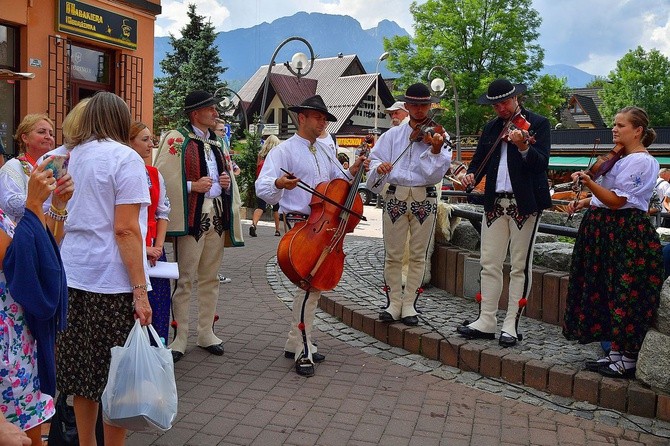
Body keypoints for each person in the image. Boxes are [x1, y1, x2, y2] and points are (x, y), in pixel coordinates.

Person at [55, 92, 152, 446]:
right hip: (112, 280)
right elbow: (126, 228)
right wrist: (140, 290)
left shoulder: (68, 156)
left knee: (84, 372)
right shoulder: (126, 158)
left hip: (73, 272)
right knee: (118, 376)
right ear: (120, 120)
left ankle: (85, 443)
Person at [255, 95, 367, 377]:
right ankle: (304, 348)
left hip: (323, 226)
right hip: (302, 226)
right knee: (309, 285)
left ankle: (295, 342)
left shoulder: (326, 150)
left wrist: (353, 171)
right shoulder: (284, 151)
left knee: (311, 288)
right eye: (318, 117)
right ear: (301, 118)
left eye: (324, 118)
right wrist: (280, 182)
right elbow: (262, 186)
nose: (323, 122)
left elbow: (339, 183)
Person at [563, 106, 663, 379]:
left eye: (620, 125)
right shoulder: (619, 158)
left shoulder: (643, 162)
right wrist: (584, 199)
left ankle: (627, 358)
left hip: (625, 234)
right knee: (608, 291)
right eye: (614, 125)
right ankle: (615, 355)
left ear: (638, 130)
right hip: (606, 231)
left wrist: (588, 182)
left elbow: (618, 201)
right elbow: (604, 197)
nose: (614, 129)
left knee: (625, 293)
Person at [456, 78, 552, 347]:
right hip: (495, 203)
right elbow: (478, 163)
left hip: (525, 203)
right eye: (496, 105)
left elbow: (541, 163)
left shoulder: (539, 123)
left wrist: (523, 146)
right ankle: (486, 319)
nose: (501, 109)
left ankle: (511, 323)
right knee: (489, 262)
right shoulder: (491, 128)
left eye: (505, 103)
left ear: (516, 99)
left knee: (520, 265)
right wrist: (471, 176)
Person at [155, 90, 244, 363]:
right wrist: (193, 186)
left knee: (211, 277)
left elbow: (225, 171)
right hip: (192, 217)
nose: (215, 112)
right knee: (184, 279)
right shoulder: (176, 139)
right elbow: (163, 179)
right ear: (196, 113)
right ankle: (180, 337)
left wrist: (226, 182)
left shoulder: (218, 142)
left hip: (216, 215)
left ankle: (206, 332)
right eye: (210, 109)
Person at [366, 83, 452, 326]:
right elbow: (374, 163)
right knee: (393, 254)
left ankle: (410, 304)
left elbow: (435, 175)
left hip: (424, 198)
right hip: (396, 195)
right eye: (414, 105)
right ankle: (393, 302)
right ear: (406, 106)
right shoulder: (391, 136)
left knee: (418, 255)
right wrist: (379, 168)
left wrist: (434, 151)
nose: (419, 110)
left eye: (423, 105)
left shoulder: (440, 136)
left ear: (429, 106)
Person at [0, 158, 72, 446]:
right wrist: (32, 205)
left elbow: (44, 246)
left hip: (18, 338)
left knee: (29, 430)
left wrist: (57, 205)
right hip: (7, 346)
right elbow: (22, 262)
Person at [129, 121, 172, 343]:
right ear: (129, 143)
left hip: (154, 251)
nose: (150, 145)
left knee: (159, 306)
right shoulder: (123, 173)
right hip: (131, 249)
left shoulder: (154, 174)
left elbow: (162, 213)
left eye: (151, 140)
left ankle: (155, 355)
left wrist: (158, 246)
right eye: (144, 140)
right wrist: (143, 248)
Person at [0, 114, 55, 222]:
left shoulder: (54, 167)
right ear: (25, 138)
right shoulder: (13, 166)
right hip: (24, 234)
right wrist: (49, 199)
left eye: (51, 133)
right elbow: (10, 203)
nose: (48, 136)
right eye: (41, 132)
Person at [250, 135, 281, 237]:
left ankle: (254, 224)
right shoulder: (278, 154)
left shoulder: (261, 154)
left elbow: (257, 168)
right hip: (274, 182)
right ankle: (277, 230)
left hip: (261, 182)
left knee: (260, 206)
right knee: (276, 207)